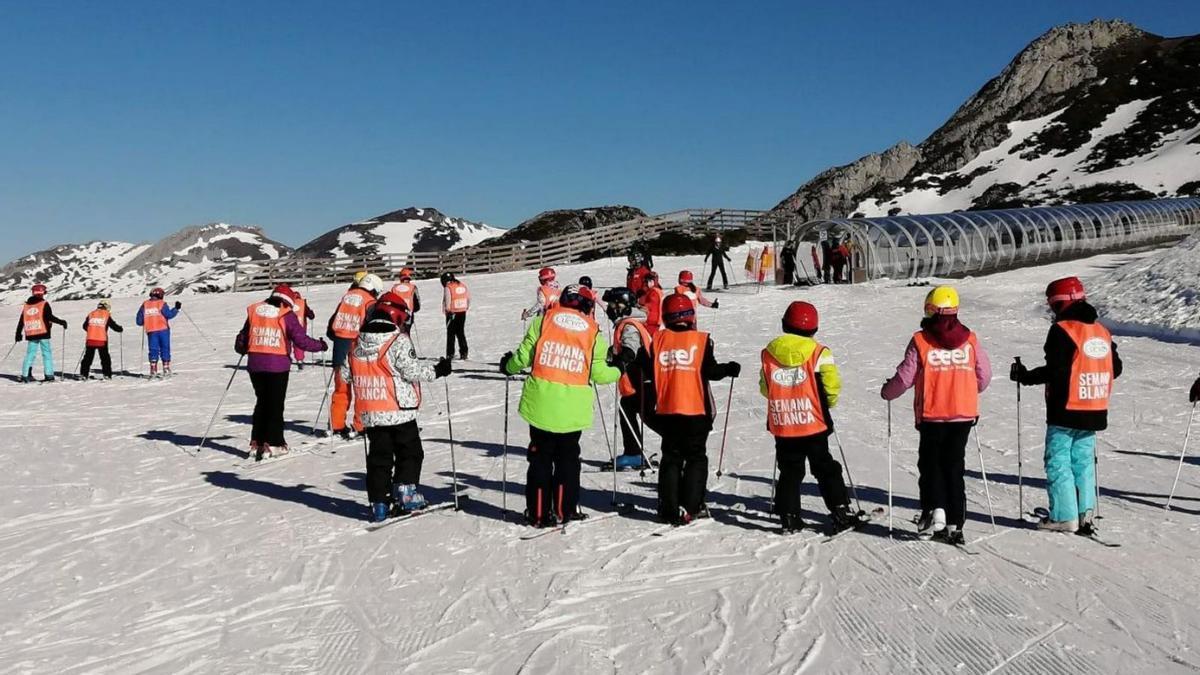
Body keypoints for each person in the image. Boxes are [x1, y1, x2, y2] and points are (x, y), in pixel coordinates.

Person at [501, 284, 621, 527]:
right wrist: (619, 369)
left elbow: (523, 358)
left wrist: (507, 366)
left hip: (541, 404)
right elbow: (598, 373)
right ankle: (565, 510)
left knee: (540, 460)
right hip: (572, 409)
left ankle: (537, 514)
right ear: (587, 305)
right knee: (568, 461)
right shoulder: (593, 332)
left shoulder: (543, 321)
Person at [1010, 276, 1122, 535]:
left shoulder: (1063, 330)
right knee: (1082, 461)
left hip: (1065, 408)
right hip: (1094, 405)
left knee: (1058, 460)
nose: (1051, 311)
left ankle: (1064, 516)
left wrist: (1026, 377)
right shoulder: (1101, 331)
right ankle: (1085, 513)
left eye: (1052, 306)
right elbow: (1115, 368)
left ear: (1060, 303)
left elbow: (1057, 371)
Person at [881, 286, 991, 544]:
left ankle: (936, 511)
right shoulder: (970, 339)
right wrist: (966, 389)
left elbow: (905, 378)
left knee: (931, 465)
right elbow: (984, 376)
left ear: (930, 309)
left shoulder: (921, 340)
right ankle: (955, 523)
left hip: (933, 414)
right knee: (954, 466)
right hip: (963, 414)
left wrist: (888, 392)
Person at [343, 292, 452, 522]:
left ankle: (379, 503)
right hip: (398, 411)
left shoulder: (356, 343)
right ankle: (406, 493)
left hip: (371, 413)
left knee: (379, 459)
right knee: (410, 453)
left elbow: (346, 373)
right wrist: (437, 370)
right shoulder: (397, 340)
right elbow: (411, 372)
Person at [760, 301, 863, 533]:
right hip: (812, 421)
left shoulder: (768, 354)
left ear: (785, 324)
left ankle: (788, 516)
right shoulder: (819, 353)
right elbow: (831, 385)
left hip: (784, 422)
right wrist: (829, 403)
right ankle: (839, 511)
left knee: (789, 469)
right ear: (813, 328)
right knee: (825, 467)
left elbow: (765, 388)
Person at [649, 293, 740, 525]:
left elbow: (645, 370)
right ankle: (692, 505)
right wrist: (729, 368)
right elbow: (711, 371)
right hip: (696, 410)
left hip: (667, 410)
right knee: (696, 458)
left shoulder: (657, 340)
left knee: (671, 458)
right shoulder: (700, 340)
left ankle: (669, 508)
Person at [235, 284, 329, 459]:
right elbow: (301, 340)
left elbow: (243, 336)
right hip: (277, 364)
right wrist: (320, 345)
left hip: (255, 363)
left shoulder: (255, 310)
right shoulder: (286, 314)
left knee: (262, 403)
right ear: (287, 301)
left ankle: (256, 442)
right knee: (275, 405)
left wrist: (242, 347)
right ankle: (275, 443)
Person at [603, 286, 654, 470]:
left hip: (643, 380)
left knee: (650, 415)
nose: (609, 308)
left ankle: (679, 450)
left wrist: (617, 360)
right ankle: (633, 453)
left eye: (612, 304)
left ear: (622, 306)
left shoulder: (630, 326)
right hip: (638, 380)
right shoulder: (626, 323)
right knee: (628, 408)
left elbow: (630, 351)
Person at [327, 273, 383, 439]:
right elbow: (371, 329)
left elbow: (331, 327)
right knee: (362, 388)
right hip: (358, 349)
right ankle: (360, 426)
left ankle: (336, 425)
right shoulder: (370, 302)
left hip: (339, 346)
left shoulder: (346, 297)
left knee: (341, 389)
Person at [15, 283, 68, 382]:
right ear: (42, 292)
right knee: (46, 354)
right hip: (43, 333)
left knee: (30, 354)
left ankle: (25, 375)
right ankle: (49, 375)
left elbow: (21, 321)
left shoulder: (26, 306)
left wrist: (18, 333)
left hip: (31, 333)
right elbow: (50, 317)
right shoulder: (44, 304)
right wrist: (62, 322)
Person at [136, 287, 180, 378]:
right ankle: (166, 368)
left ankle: (153, 370)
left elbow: (139, 321)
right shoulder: (161, 303)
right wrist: (176, 309)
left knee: (153, 350)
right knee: (165, 348)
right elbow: (169, 315)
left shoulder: (145, 304)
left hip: (151, 331)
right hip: (163, 329)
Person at [80, 299, 124, 380]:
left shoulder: (91, 314)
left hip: (90, 339)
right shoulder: (106, 314)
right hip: (101, 340)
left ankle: (83, 374)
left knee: (88, 358)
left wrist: (92, 330)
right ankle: (107, 374)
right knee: (105, 358)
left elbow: (84, 326)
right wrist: (120, 329)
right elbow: (113, 326)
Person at [441, 272, 470, 360]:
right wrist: (465, 307)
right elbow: (468, 298)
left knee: (451, 334)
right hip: (462, 311)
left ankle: (450, 354)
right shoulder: (462, 285)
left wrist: (447, 310)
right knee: (461, 333)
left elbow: (447, 299)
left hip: (452, 312)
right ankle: (464, 352)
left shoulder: (448, 287)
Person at [290, 289, 316, 368]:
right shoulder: (302, 304)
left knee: (286, 343)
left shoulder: (287, 304)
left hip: (288, 327)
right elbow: (311, 315)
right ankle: (299, 360)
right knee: (298, 344)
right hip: (300, 328)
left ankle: (285, 359)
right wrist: (311, 314)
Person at [638, 271, 664, 336]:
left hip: (652, 322)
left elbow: (649, 306)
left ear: (652, 281)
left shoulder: (654, 292)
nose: (645, 283)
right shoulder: (656, 290)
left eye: (647, 281)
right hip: (654, 321)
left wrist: (639, 306)